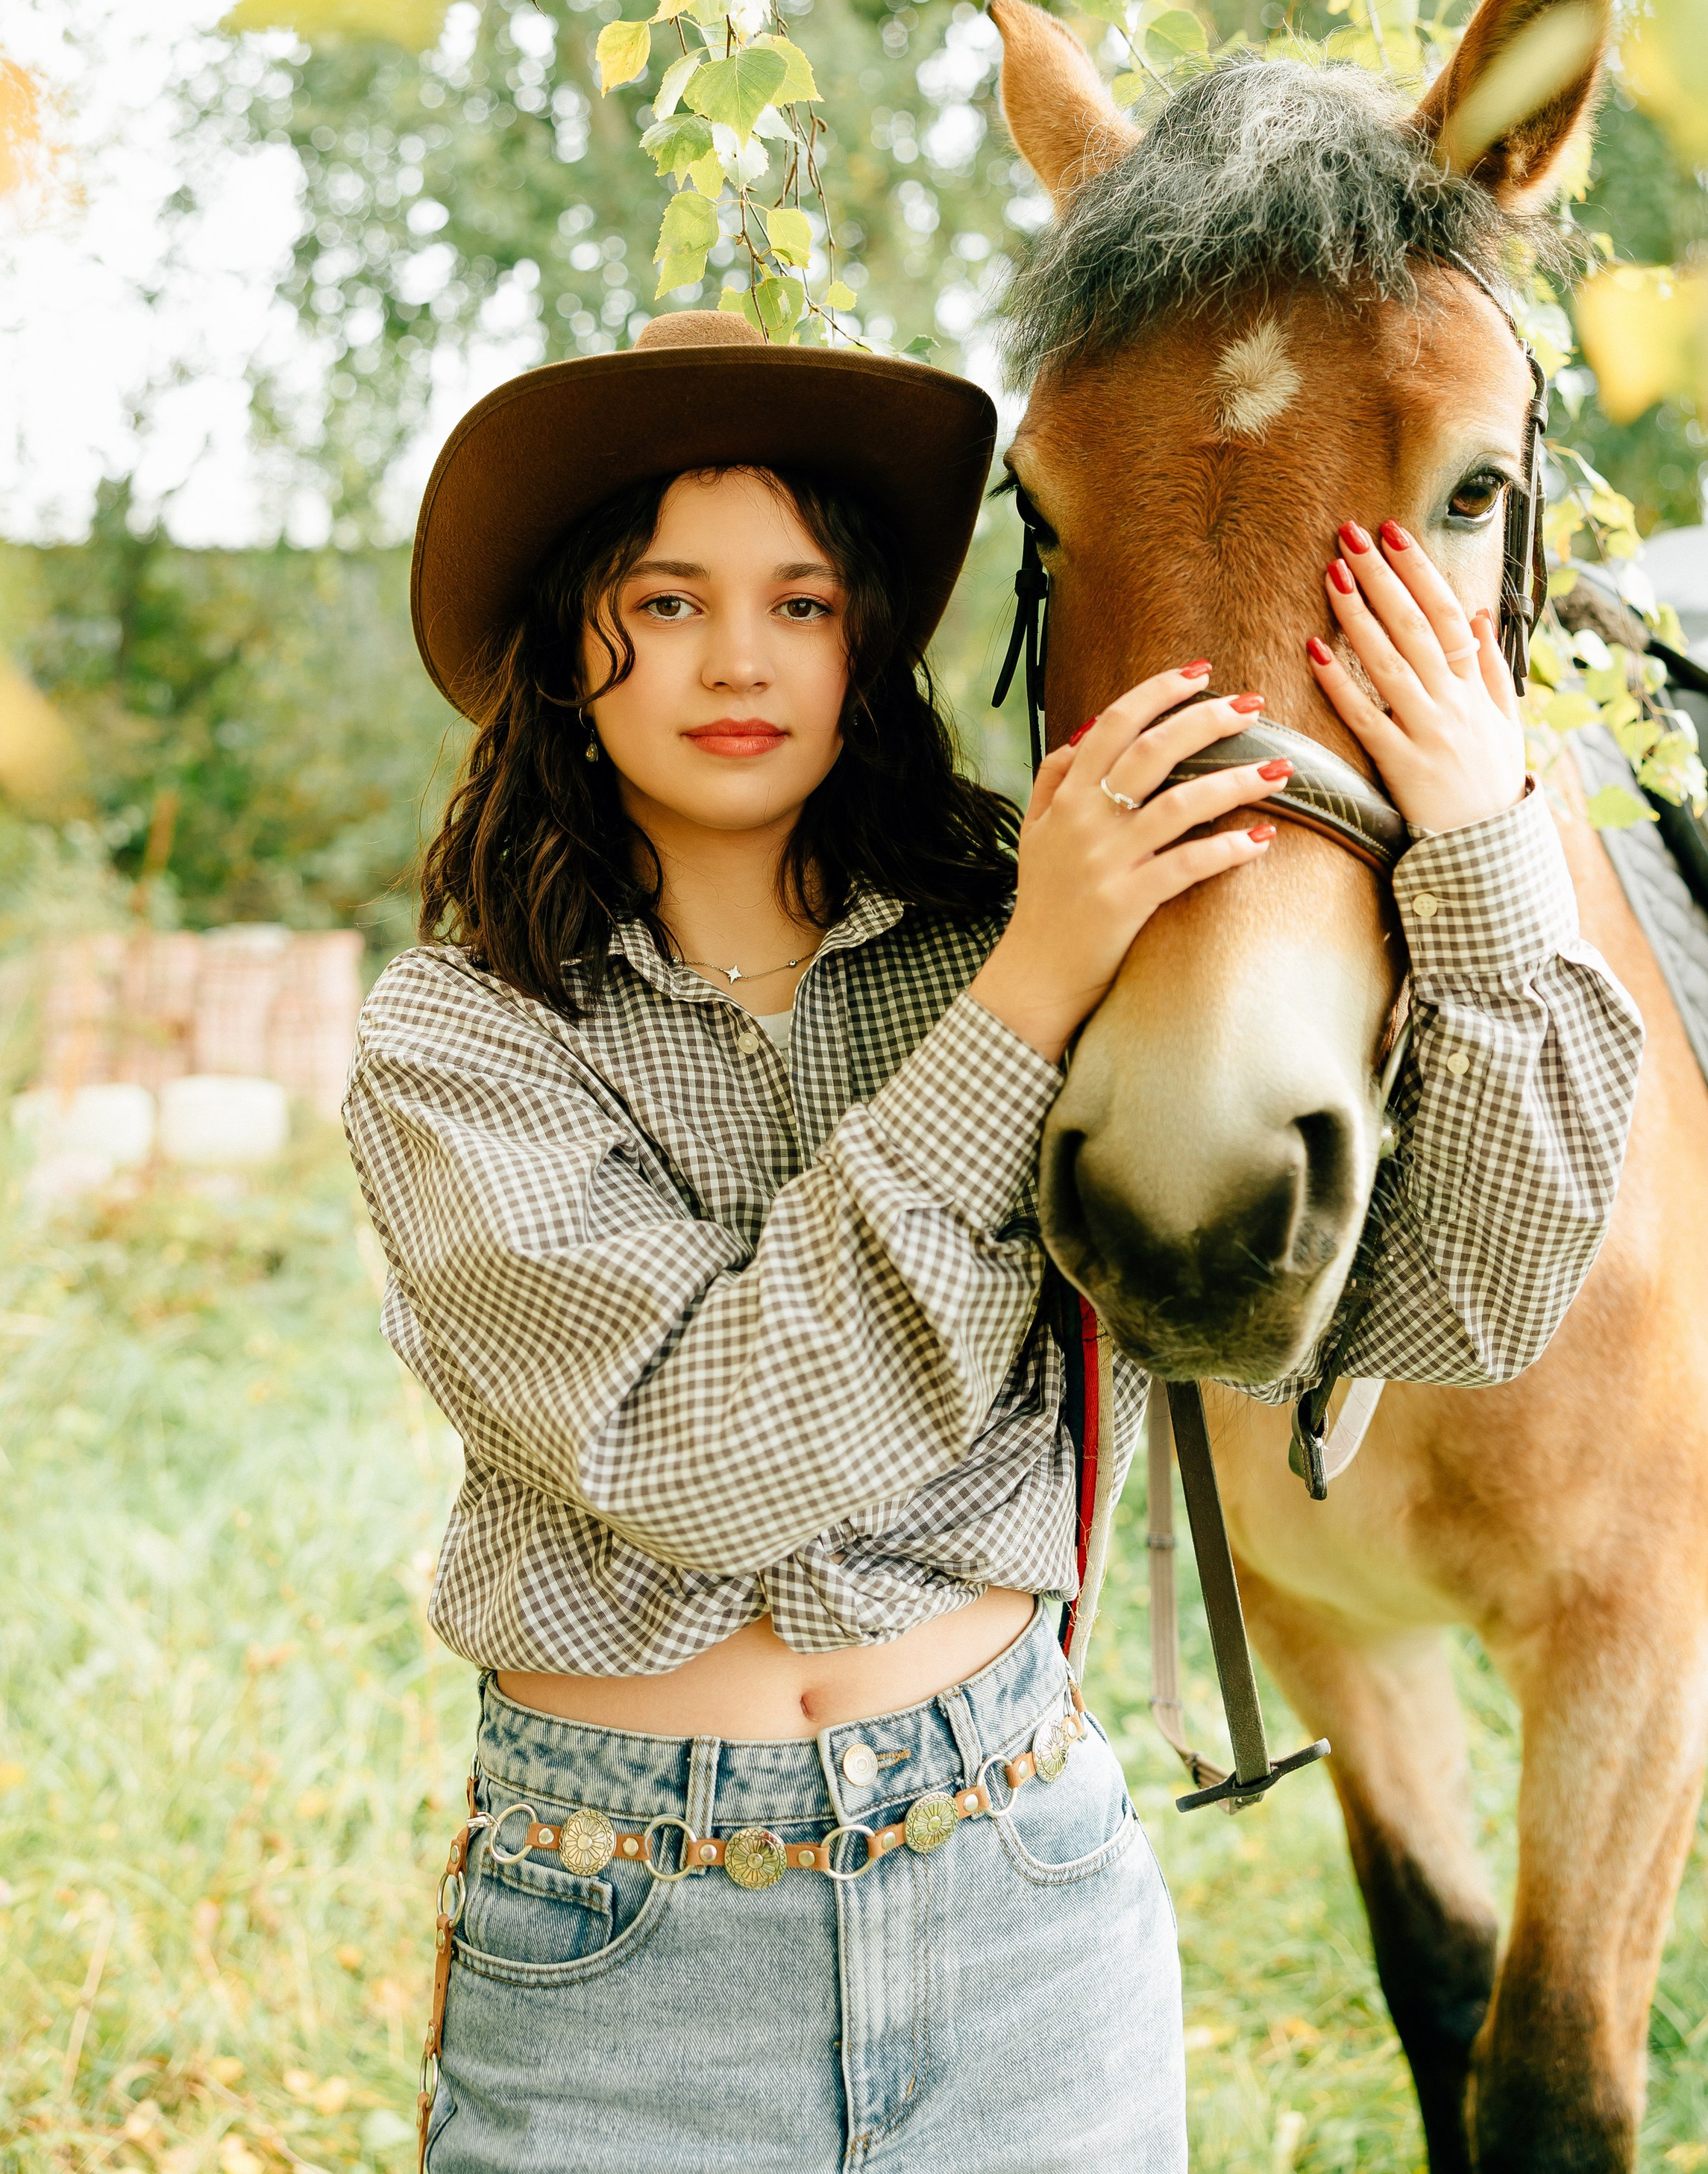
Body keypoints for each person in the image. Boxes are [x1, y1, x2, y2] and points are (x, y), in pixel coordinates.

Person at [344, 310, 1642, 2174]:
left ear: (865, 636)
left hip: (1017, 1896)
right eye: (664, 599)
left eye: (797, 602)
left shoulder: (1020, 918)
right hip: (626, 1947)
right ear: (567, 643)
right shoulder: (461, 1039)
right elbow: (699, 1460)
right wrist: (1028, 1000)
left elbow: (1468, 1294)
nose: (737, 658)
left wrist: (1478, 844)